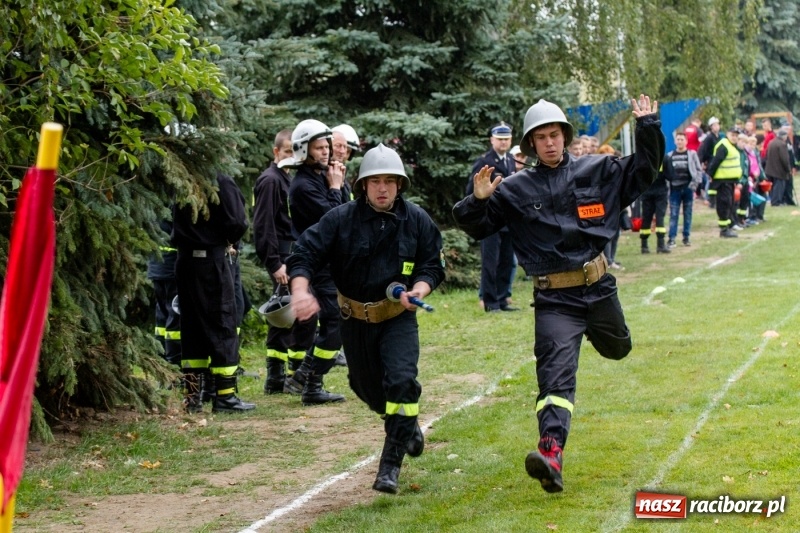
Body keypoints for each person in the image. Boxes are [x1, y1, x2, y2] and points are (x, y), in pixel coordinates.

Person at [453, 95, 664, 493]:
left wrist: (648, 126)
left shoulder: (598, 169)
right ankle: (550, 453)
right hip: (555, 300)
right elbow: (476, 226)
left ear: (565, 137)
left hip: (599, 289)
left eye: (555, 135)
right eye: (540, 138)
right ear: (530, 144)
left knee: (619, 348)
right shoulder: (514, 189)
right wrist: (477, 200)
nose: (549, 143)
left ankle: (596, 337)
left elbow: (645, 171)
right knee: (555, 378)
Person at [287, 144, 445, 494]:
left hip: (397, 319)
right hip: (354, 320)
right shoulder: (341, 219)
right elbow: (304, 254)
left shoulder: (416, 219)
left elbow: (432, 264)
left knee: (402, 382)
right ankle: (405, 425)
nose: (383, 188)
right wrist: (300, 291)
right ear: (362, 186)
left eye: (390, 181)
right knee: (366, 389)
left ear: (400, 185)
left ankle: (389, 467)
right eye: (376, 182)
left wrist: (419, 289)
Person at [172, 174, 255, 413]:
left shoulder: (182, 176)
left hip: (185, 261)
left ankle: (192, 397)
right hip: (211, 261)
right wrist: (228, 241)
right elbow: (237, 221)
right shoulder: (220, 179)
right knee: (223, 322)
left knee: (192, 328)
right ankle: (225, 397)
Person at [283, 119, 349, 405]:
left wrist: (339, 184)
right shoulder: (302, 186)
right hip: (317, 264)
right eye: (319, 148)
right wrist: (335, 187)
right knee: (335, 322)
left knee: (338, 323)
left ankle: (308, 379)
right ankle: (308, 378)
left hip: (332, 263)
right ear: (303, 150)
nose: (326, 152)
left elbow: (347, 211)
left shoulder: (323, 177)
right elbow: (334, 221)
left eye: (327, 147)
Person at [252, 129, 317, 394]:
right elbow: (263, 224)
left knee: (284, 315)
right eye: (287, 151)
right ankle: (292, 376)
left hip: (290, 254)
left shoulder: (285, 179)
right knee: (302, 313)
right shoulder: (271, 180)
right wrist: (274, 263)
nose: (292, 156)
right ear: (276, 152)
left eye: (295, 151)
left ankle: (276, 378)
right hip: (282, 257)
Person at [468, 122, 519, 313]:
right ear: (492, 140)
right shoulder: (483, 162)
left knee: (507, 260)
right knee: (491, 262)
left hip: (507, 219)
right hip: (490, 219)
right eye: (500, 139)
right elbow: (472, 191)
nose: (504, 142)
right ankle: (490, 302)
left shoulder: (511, 160)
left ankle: (502, 299)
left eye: (507, 139)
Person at [146, 220, 181, 368]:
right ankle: (174, 363)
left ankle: (161, 361)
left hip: (157, 266)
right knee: (175, 316)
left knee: (162, 315)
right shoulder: (175, 203)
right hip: (172, 267)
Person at [665, 132, 702, 246]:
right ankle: (672, 238)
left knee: (688, 214)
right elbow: (666, 173)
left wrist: (694, 185)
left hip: (688, 189)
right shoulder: (670, 156)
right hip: (674, 189)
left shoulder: (692, 154)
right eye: (678, 139)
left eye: (682, 139)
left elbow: (698, 170)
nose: (680, 141)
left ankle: (686, 237)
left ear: (686, 141)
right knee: (674, 214)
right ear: (675, 141)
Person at [707, 126, 743, 237]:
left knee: (729, 204)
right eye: (733, 135)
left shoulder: (732, 146)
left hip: (730, 180)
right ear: (727, 134)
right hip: (722, 181)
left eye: (736, 136)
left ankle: (728, 226)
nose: (734, 137)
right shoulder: (724, 146)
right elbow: (715, 162)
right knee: (724, 204)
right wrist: (711, 176)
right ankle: (723, 229)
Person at [765, 128, 792, 207]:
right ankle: (776, 201)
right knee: (779, 186)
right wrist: (788, 169)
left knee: (773, 186)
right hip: (779, 169)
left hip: (770, 168)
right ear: (784, 136)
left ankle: (773, 200)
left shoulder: (771, 142)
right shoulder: (782, 144)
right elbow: (785, 158)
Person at [698, 117, 721, 207]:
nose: (716, 126)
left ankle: (713, 198)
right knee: (709, 180)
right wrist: (703, 162)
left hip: (716, 161)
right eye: (714, 125)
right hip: (710, 162)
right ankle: (708, 198)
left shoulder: (719, 137)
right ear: (711, 127)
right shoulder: (709, 138)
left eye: (717, 124)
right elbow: (703, 151)